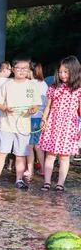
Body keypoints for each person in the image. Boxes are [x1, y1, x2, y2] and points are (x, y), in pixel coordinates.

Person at [0, 57, 41, 189]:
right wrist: (5, 108)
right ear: (13, 70)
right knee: (1, 152)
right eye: (18, 68)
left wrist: (32, 110)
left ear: (28, 70)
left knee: (21, 154)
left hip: (23, 126)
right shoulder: (6, 85)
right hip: (6, 125)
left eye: (25, 68)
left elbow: (36, 105)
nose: (21, 71)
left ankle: (19, 179)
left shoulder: (32, 85)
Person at [38, 56, 81, 192]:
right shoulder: (53, 87)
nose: (62, 75)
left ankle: (60, 183)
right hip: (53, 123)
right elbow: (48, 106)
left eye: (66, 72)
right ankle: (47, 182)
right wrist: (43, 120)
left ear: (74, 71)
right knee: (50, 154)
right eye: (60, 72)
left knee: (64, 156)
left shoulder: (78, 90)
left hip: (70, 125)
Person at [25, 62, 48, 180]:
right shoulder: (43, 83)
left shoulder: (29, 84)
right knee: (38, 145)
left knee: (29, 145)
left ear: (31, 71)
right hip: (40, 117)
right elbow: (45, 103)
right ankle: (43, 169)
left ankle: (30, 170)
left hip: (30, 118)